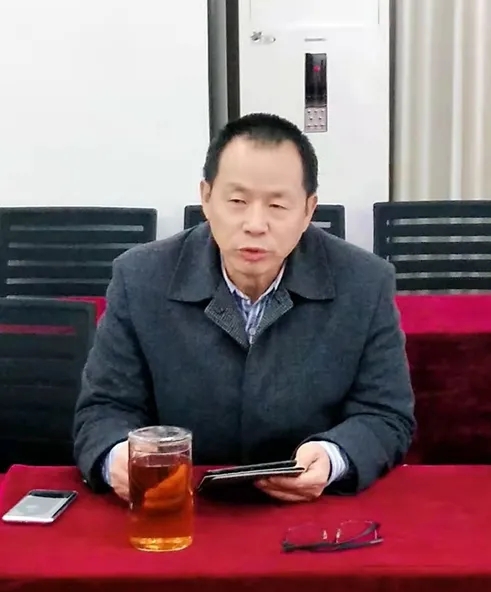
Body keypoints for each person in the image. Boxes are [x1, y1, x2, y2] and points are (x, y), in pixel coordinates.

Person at [73, 112, 415, 503]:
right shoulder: (140, 278)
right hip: (175, 504)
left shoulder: (365, 283)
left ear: (308, 210)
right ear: (206, 198)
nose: (255, 224)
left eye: (277, 205)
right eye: (237, 201)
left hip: (306, 514)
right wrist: (118, 457)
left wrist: (334, 457)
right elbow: (103, 410)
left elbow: (386, 414)